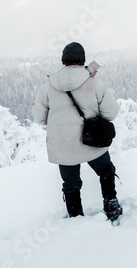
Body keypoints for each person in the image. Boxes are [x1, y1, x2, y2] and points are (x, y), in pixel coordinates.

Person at [32, 42, 122, 222]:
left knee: (71, 183)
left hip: (63, 144)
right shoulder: (94, 83)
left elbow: (39, 118)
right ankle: (111, 206)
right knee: (106, 170)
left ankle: (75, 217)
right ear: (83, 61)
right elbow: (110, 113)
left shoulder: (47, 86)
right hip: (92, 141)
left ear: (63, 61)